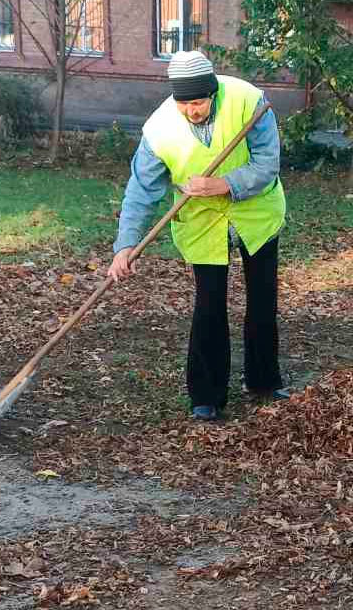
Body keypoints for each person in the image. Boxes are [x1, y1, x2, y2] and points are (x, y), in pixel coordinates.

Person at [107, 50, 289, 422]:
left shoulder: (249, 101)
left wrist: (223, 184)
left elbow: (267, 165)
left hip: (257, 216)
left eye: (200, 101)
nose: (192, 110)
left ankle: (264, 382)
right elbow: (141, 190)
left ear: (213, 93)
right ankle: (206, 396)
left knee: (262, 301)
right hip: (202, 226)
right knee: (208, 308)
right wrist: (125, 244)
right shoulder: (158, 131)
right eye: (184, 103)